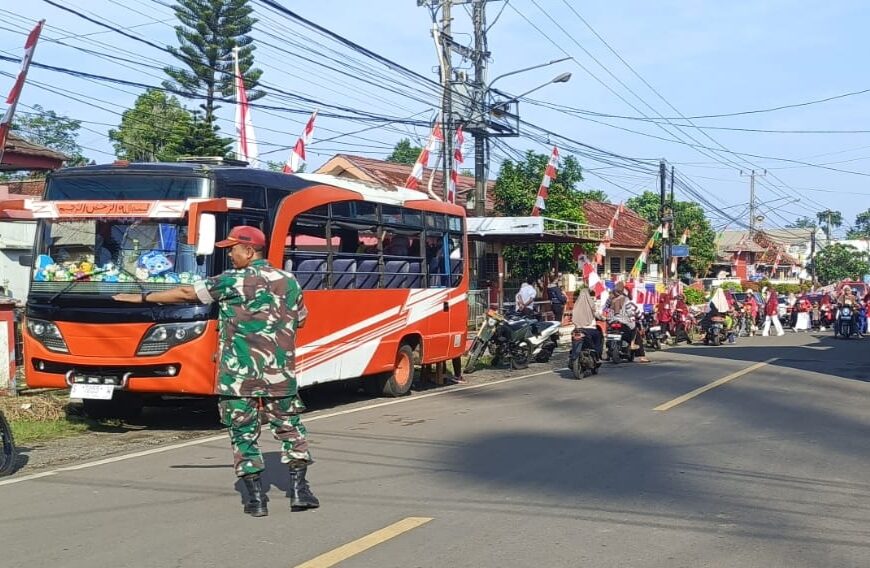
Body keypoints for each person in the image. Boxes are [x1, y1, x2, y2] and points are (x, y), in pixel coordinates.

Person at [112, 226, 318, 517]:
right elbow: (302, 321)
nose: (230, 254)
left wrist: (140, 299)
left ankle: (256, 500)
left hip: (237, 377)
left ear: (249, 251)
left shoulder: (230, 281)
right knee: (290, 429)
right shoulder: (289, 280)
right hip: (279, 375)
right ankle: (299, 492)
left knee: (243, 433)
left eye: (233, 249)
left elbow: (186, 292)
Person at [571, 288, 603, 358]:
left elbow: (573, 315)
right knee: (598, 337)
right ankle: (597, 356)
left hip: (577, 329)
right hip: (589, 329)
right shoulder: (591, 304)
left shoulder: (576, 304)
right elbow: (596, 314)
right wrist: (602, 318)